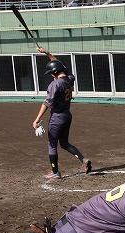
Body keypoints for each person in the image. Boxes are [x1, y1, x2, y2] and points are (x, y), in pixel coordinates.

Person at [32, 47, 92, 179]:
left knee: (52, 144)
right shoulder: (70, 78)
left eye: (51, 73)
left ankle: (55, 172)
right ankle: (83, 160)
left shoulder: (54, 85)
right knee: (64, 143)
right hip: (67, 116)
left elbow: (47, 103)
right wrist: (47, 53)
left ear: (54, 72)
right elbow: (59, 64)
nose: (51, 75)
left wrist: (37, 119)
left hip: (57, 118)